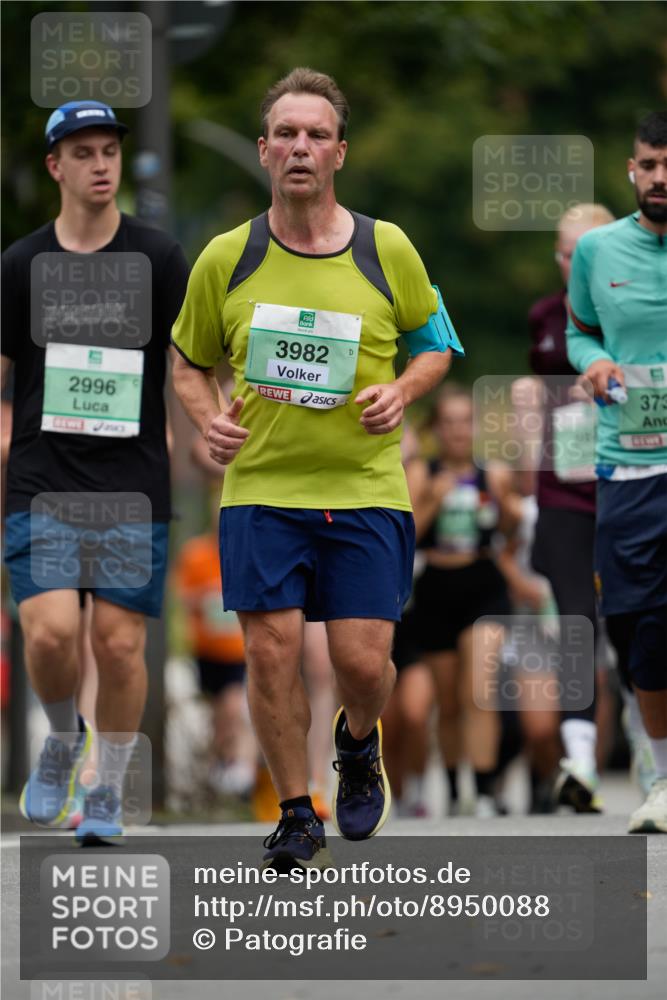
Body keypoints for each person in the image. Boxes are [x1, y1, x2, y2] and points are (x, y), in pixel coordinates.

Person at [171, 67, 463, 868]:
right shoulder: (225, 258)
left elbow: (437, 345)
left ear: (340, 152)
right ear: (265, 151)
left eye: (317, 135)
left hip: (366, 490)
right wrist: (208, 425)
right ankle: (297, 810)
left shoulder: (385, 246)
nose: (301, 147)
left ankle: (357, 742)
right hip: (261, 491)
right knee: (269, 651)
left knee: (362, 664)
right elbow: (188, 362)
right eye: (286, 135)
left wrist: (402, 391)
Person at [1, 101, 189, 844]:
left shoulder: (157, 260)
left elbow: (188, 364)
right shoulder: (21, 265)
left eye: (109, 151)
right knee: (48, 635)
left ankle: (106, 789)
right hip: (44, 478)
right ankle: (59, 735)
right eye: (83, 153)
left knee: (117, 644)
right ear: (56, 167)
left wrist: (207, 428)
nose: (101, 165)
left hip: (131, 480)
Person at [566, 111, 667, 834]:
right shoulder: (597, 250)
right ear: (631, 172)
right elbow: (578, 329)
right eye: (648, 164)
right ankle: (657, 770)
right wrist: (590, 361)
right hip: (626, 466)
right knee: (631, 625)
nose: (659, 177)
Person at [527, 203, 617, 812]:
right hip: (563, 490)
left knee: (637, 621)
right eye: (567, 253)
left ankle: (646, 748)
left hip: (627, 484)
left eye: (588, 250)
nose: (576, 262)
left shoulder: (637, 311)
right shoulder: (543, 316)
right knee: (576, 623)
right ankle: (579, 760)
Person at [399, 386, 517, 818]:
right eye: (448, 421)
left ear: (475, 427)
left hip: (482, 583)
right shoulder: (421, 472)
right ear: (436, 428)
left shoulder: (495, 473)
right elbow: (407, 530)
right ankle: (452, 789)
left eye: (464, 421)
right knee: (446, 701)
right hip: (436, 585)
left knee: (479, 690)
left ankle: (484, 791)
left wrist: (507, 506)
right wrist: (434, 496)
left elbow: (510, 528)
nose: (456, 430)